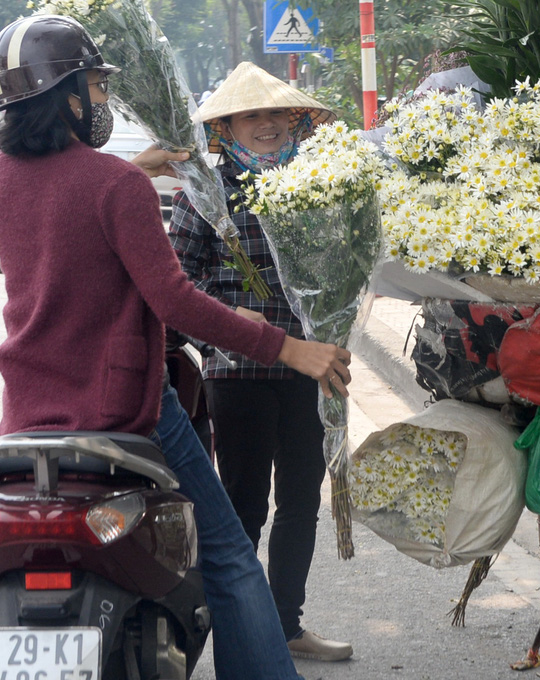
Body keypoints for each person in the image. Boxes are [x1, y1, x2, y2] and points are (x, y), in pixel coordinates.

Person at [0, 14, 350, 680]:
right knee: (226, 555)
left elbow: (61, 211)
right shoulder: (117, 187)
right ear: (66, 95)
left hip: (30, 408)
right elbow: (176, 302)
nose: (102, 102)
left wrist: (133, 168)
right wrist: (291, 349)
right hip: (126, 404)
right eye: (98, 88)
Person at [170, 62, 352, 662]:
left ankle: (285, 624)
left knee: (301, 500)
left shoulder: (321, 185)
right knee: (242, 506)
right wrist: (232, 319)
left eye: (278, 114)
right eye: (254, 115)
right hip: (236, 371)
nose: (268, 125)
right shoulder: (201, 190)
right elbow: (179, 282)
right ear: (225, 128)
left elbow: (343, 267)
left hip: (311, 367)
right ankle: (236, 630)